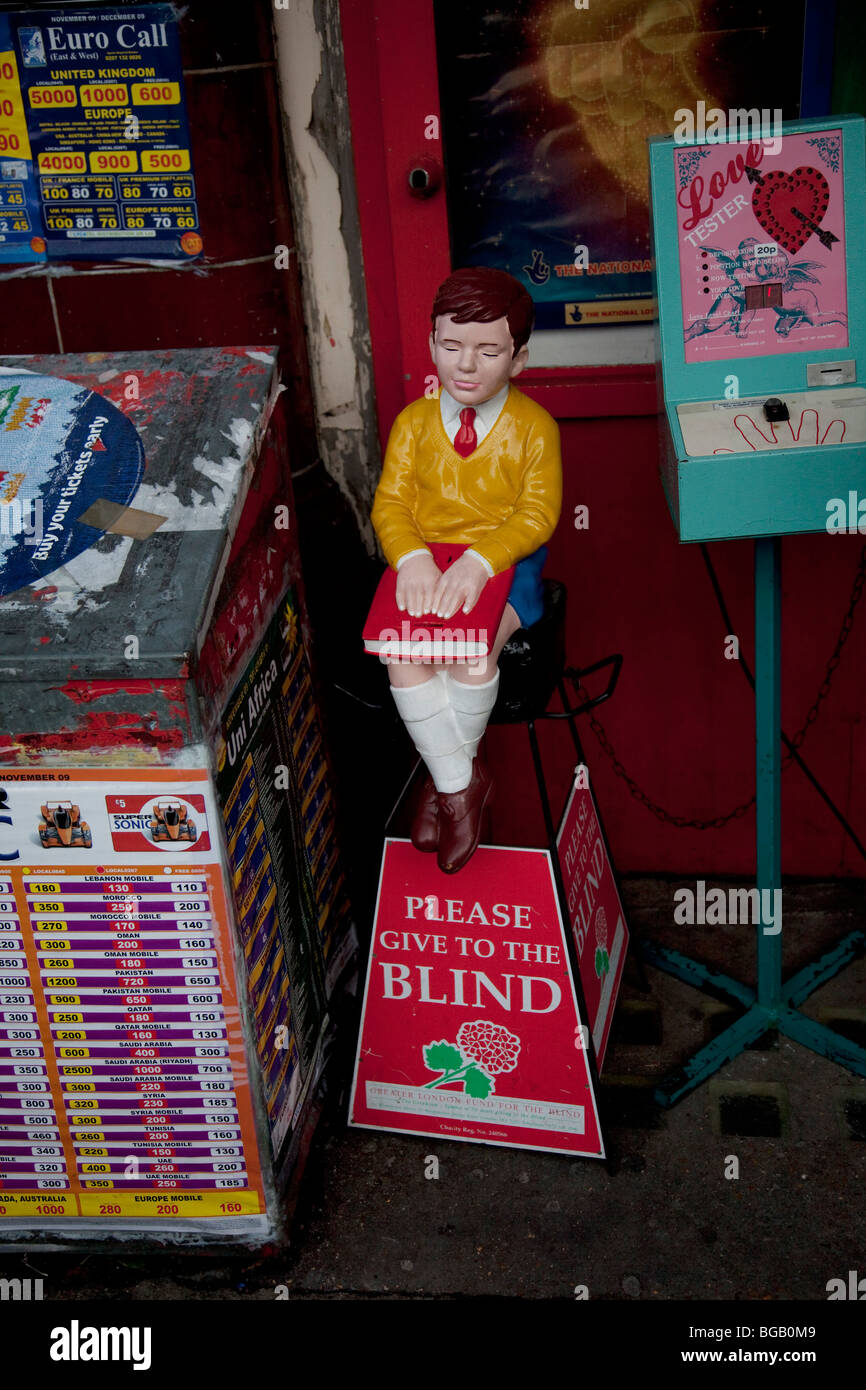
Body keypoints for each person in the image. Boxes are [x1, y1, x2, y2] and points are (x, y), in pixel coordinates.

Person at [371, 266, 562, 872]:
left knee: (472, 652)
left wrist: (482, 562)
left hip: (505, 565)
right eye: (451, 346)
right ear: (432, 346)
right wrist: (412, 556)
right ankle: (461, 786)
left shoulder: (534, 428)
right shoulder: (412, 424)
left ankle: (443, 785)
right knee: (404, 655)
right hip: (428, 564)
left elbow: (539, 513)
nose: (467, 365)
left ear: (519, 357)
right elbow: (391, 505)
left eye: (488, 350)